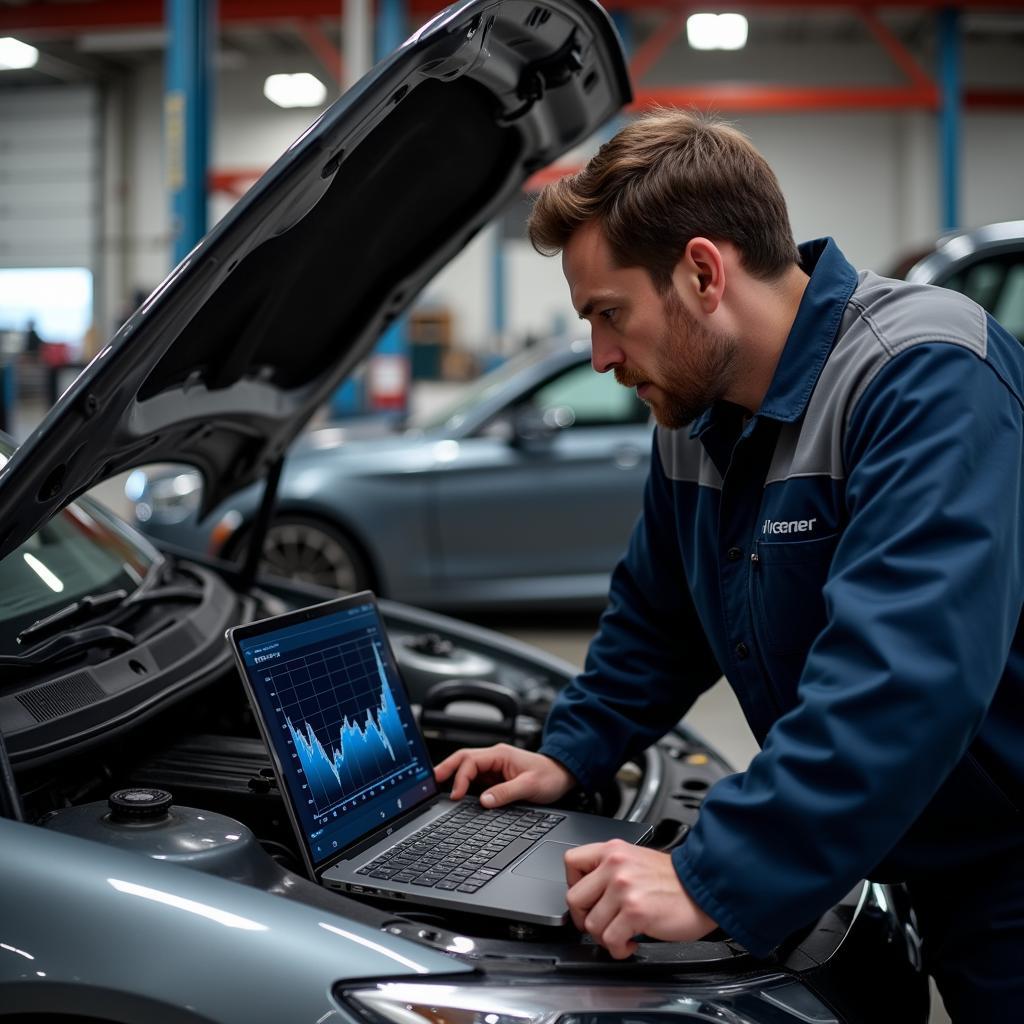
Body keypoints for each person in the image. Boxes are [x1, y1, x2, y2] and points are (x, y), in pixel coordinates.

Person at [434, 110, 1024, 1019]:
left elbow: (904, 676)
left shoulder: (923, 375)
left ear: (704, 272)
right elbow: (656, 618)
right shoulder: (697, 415)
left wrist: (712, 878)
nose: (600, 357)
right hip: (906, 835)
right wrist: (568, 753)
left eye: (609, 314)